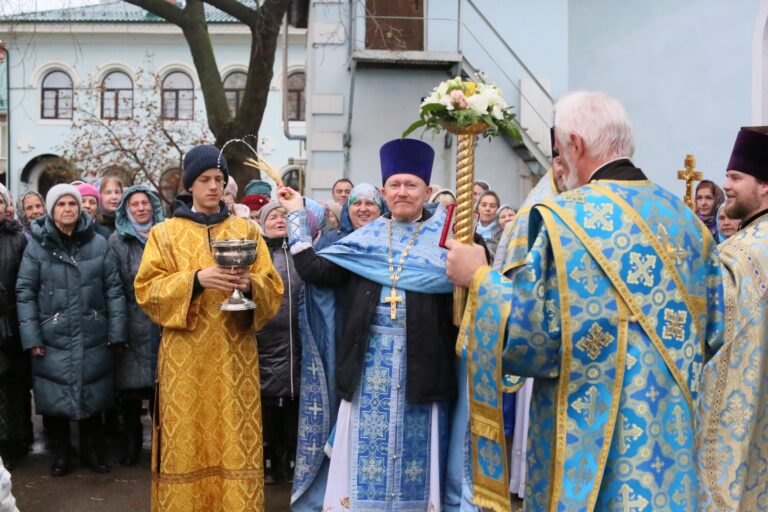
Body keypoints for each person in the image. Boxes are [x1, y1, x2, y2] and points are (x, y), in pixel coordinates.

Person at [445, 91, 724, 511]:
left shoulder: (564, 220)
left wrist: (480, 279)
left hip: (586, 437)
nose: (559, 165)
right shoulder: (686, 221)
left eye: (558, 152)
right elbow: (714, 331)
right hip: (668, 441)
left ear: (575, 143)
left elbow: (534, 341)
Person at [285, 138, 471, 511]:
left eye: (411, 185)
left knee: (419, 466)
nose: (402, 192)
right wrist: (295, 216)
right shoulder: (364, 240)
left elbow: (472, 290)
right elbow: (315, 270)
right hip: (367, 370)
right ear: (384, 192)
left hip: (425, 368)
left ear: (427, 192)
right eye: (395, 185)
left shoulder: (450, 240)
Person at [134, 144, 283, 511]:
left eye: (219, 179)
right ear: (190, 185)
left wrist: (251, 286)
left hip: (234, 358)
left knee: (233, 437)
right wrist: (197, 280)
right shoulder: (165, 234)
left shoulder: (246, 230)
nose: (214, 186)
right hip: (185, 362)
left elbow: (272, 287)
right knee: (187, 441)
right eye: (205, 179)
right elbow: (146, 291)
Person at [16, 184, 126, 477]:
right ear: (52, 210)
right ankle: (62, 453)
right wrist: (32, 337)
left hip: (93, 332)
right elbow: (25, 293)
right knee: (54, 396)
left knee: (93, 393)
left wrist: (116, 332)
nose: (68, 209)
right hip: (52, 334)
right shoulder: (37, 246)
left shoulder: (98, 243)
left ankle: (93, 452)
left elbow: (114, 290)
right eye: (61, 204)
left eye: (72, 204)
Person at [697, 126, 768, 511]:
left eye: (736, 177)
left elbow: (707, 330)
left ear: (764, 185)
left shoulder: (736, 255)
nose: (727, 187)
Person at [107, 185, 164, 467]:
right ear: (126, 210)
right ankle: (131, 444)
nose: (141, 208)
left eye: (145, 203)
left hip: (161, 320)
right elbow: (113, 285)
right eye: (135, 204)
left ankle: (161, 447)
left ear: (153, 205)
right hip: (130, 319)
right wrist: (118, 330)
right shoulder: (117, 240)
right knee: (129, 392)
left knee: (161, 391)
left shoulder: (165, 234)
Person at [255, 201, 302, 485]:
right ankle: (269, 453)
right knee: (267, 401)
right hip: (265, 338)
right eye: (272, 216)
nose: (279, 220)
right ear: (262, 223)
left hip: (296, 339)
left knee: (295, 400)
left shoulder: (301, 251)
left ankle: (293, 453)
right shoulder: (257, 252)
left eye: (284, 215)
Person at [0, 186, 29, 470]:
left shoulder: (18, 238)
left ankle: (12, 442)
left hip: (10, 323)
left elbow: (26, 282)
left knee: (11, 387)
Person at [315, 183, 382, 251]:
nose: (363, 209)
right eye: (357, 204)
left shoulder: (388, 239)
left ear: (380, 208)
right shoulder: (330, 240)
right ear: (348, 209)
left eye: (369, 203)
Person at [475, 190, 501, 256]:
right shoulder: (469, 230)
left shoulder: (502, 232)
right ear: (477, 208)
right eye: (484, 205)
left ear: (498, 210)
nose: (487, 209)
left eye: (492, 206)